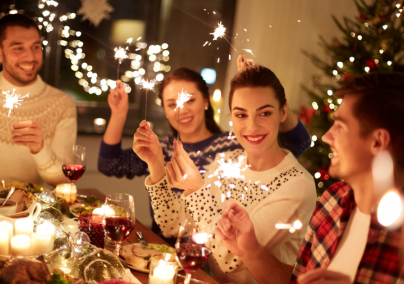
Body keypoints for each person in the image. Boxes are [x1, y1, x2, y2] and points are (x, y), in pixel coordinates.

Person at [215, 72, 404, 284]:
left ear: (378, 142)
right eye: (241, 114)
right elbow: (296, 280)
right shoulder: (332, 201)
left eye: (340, 126)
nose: (327, 136)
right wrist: (251, 251)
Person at [136, 64, 317, 283]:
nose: (252, 126)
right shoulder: (226, 161)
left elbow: (232, 259)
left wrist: (196, 190)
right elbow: (173, 224)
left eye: (265, 113)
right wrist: (155, 165)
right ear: (231, 116)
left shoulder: (296, 185)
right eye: (241, 114)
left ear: (283, 112)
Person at [98, 56, 311, 237]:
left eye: (190, 100)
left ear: (206, 102)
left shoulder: (232, 146)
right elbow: (109, 164)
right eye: (172, 104)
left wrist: (259, 95)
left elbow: (297, 142)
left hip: (214, 249)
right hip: (164, 244)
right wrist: (118, 115)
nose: (182, 110)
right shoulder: (159, 146)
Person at [0, 14, 76, 186]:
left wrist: (40, 149)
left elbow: (63, 180)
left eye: (35, 47)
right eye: (18, 48)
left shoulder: (61, 103)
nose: (31, 57)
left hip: (29, 209)